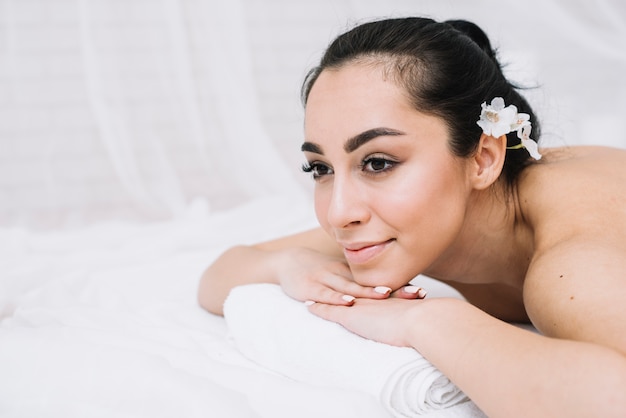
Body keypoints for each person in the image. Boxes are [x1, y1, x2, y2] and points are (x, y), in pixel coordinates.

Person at [198, 17, 626, 417]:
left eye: (379, 163)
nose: (339, 213)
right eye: (321, 169)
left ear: (482, 159)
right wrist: (286, 264)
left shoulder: (575, 264)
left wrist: (428, 320)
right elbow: (220, 276)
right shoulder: (418, 220)